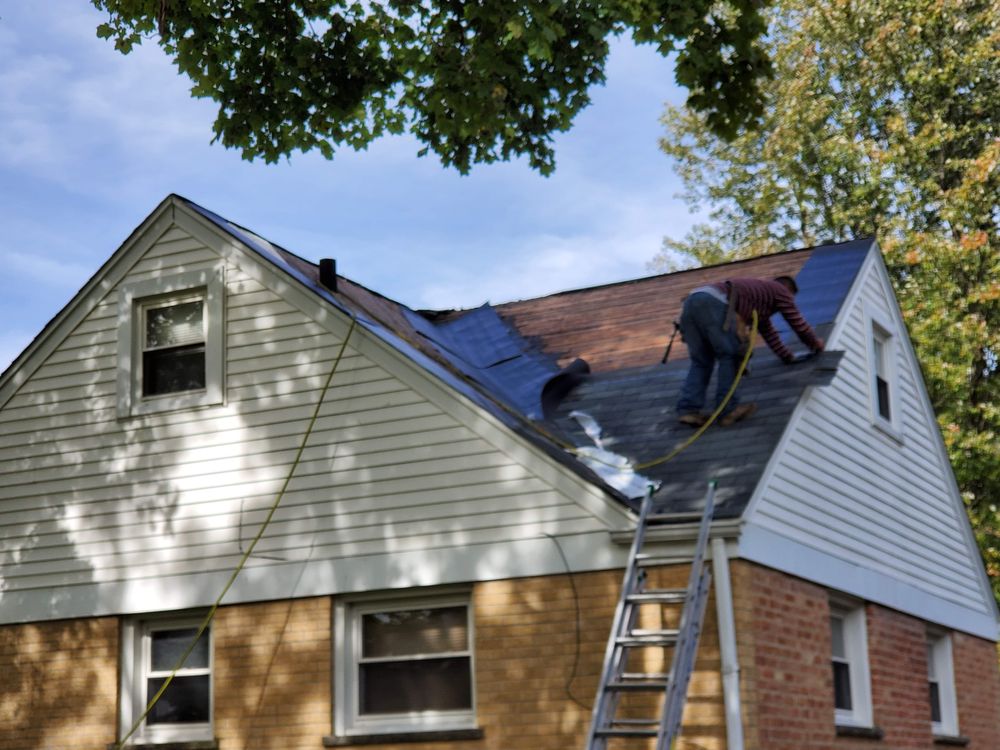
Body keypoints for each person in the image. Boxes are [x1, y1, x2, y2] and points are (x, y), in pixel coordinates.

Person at [676, 275, 825, 427]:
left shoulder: (760, 302)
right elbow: (796, 321)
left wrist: (787, 356)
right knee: (731, 355)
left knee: (702, 361)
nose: (788, 302)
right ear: (788, 289)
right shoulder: (781, 290)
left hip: (690, 303)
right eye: (790, 298)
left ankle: (688, 410)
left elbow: (769, 333)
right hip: (713, 302)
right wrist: (815, 344)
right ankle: (728, 410)